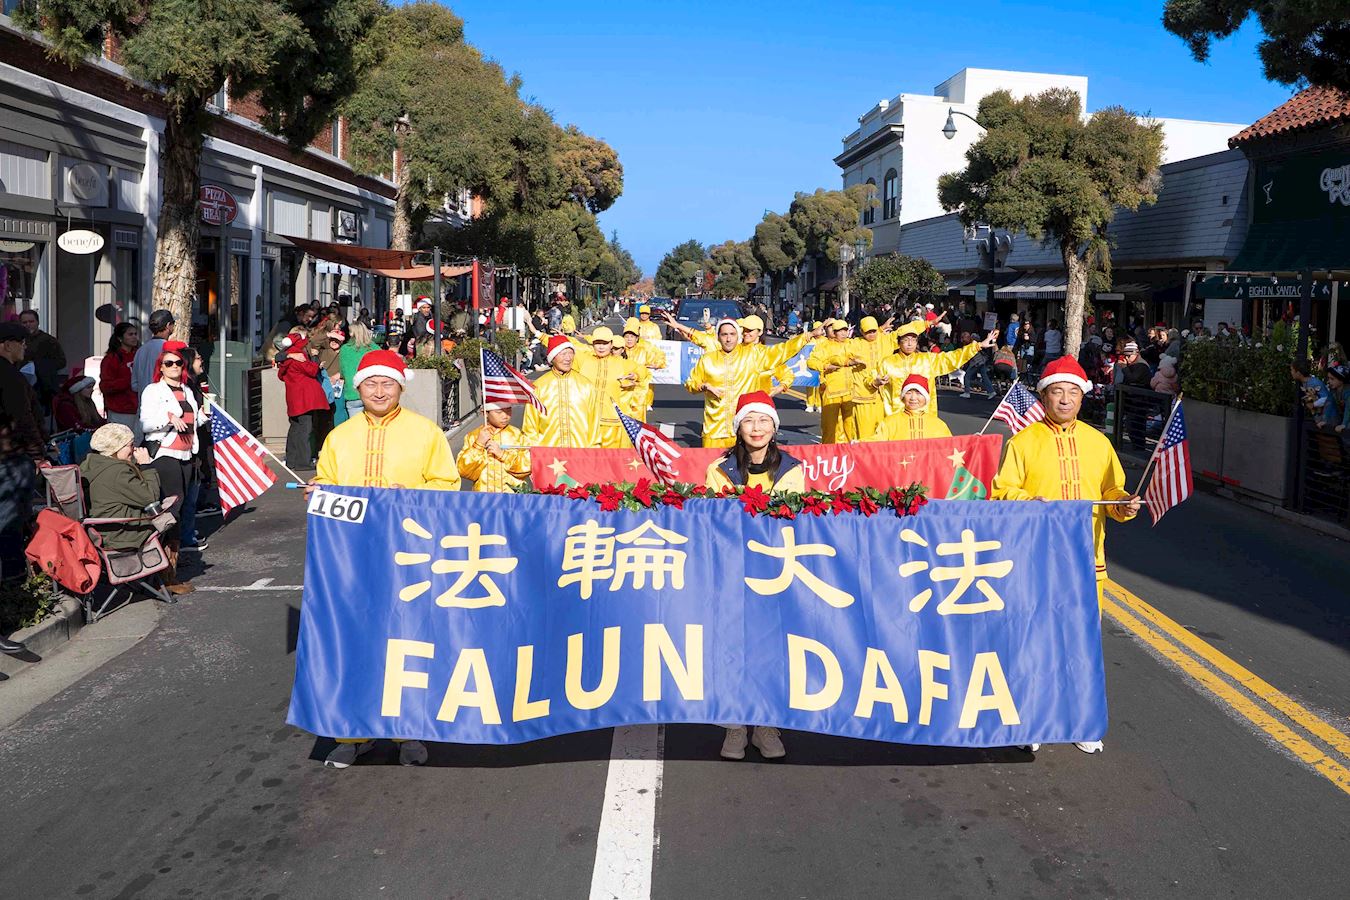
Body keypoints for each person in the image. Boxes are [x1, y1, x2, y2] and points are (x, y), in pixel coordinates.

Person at [308, 349, 458, 769]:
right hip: (351, 559)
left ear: (400, 388)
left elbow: (447, 485)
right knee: (353, 643)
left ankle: (408, 731)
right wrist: (318, 490)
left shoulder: (426, 433)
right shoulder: (340, 436)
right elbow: (327, 481)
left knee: (408, 642)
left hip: (409, 557)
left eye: (387, 383)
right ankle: (351, 733)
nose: (378, 391)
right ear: (358, 389)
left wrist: (410, 496)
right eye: (370, 383)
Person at [992, 356, 1139, 755]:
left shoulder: (1098, 442)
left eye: (1073, 392)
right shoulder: (1023, 442)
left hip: (1086, 563)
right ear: (1044, 396)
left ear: (1082, 397)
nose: (1065, 399)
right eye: (1057, 391)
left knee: (1081, 644)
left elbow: (1112, 492)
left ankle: (1080, 720)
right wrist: (1028, 501)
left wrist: (1123, 504)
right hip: (1036, 562)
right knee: (1034, 641)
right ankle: (1033, 719)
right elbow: (1001, 492)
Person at [704, 392, 801, 760]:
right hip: (730, 572)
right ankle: (734, 726)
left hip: (775, 572)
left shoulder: (791, 469)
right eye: (748, 420)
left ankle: (765, 725)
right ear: (738, 427)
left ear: (774, 427)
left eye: (763, 421)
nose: (756, 428)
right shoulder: (719, 469)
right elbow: (714, 521)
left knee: (771, 650)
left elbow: (790, 523)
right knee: (731, 649)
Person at [138, 342, 200, 595]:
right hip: (164, 453)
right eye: (168, 363)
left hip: (186, 453)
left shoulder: (187, 390)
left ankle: (169, 571)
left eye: (178, 363)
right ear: (160, 368)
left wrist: (202, 416)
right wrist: (168, 418)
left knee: (179, 508)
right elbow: (145, 424)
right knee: (171, 508)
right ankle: (162, 573)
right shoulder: (153, 390)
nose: (174, 367)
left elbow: (192, 420)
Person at [685, 319, 783, 448]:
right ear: (718, 337)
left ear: (738, 336)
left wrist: (806, 337)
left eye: (732, 334)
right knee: (713, 461)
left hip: (743, 431)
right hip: (714, 431)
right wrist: (704, 386)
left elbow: (783, 352)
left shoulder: (752, 355)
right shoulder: (707, 359)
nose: (728, 339)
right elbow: (690, 383)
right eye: (724, 334)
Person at [878, 320, 995, 419]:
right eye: (905, 340)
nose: (910, 344)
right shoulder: (887, 363)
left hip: (924, 417)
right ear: (898, 342)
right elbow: (876, 391)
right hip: (896, 419)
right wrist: (875, 383)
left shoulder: (927, 360)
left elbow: (951, 358)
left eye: (913, 340)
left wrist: (977, 346)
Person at [81, 423, 161, 552]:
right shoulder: (118, 472)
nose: (134, 449)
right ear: (115, 448)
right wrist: (146, 465)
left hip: (101, 530)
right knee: (168, 518)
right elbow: (150, 497)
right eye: (131, 445)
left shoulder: (90, 464)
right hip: (123, 534)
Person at [521, 335, 602, 448]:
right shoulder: (538, 387)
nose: (568, 358)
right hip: (549, 454)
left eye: (570, 353)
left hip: (580, 453)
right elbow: (530, 427)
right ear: (552, 358)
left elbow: (594, 424)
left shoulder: (586, 385)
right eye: (563, 354)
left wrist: (594, 450)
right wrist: (534, 452)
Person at [574, 326, 645, 448]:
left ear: (611, 344)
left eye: (605, 343)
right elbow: (564, 349)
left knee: (610, 457)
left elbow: (642, 371)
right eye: (597, 343)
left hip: (611, 423)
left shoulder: (621, 363)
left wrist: (636, 375)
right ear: (592, 344)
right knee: (587, 457)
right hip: (586, 421)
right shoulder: (584, 360)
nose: (601, 347)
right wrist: (540, 335)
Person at [276, 334, 329, 469]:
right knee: (305, 429)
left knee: (295, 428)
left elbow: (281, 375)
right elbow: (312, 371)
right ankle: (302, 462)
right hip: (305, 398)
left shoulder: (287, 358)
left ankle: (291, 460)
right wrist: (315, 358)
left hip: (293, 397)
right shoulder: (298, 356)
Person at [808, 320, 864, 443]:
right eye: (840, 331)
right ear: (834, 332)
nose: (843, 333)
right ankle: (828, 450)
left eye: (845, 330)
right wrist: (825, 366)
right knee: (830, 426)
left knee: (850, 425)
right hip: (832, 391)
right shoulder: (825, 346)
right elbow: (811, 362)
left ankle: (848, 449)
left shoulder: (851, 344)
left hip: (849, 391)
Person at [457, 402, 531, 492]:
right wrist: (478, 445)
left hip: (511, 496)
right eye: (499, 412)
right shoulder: (473, 436)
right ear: (485, 413)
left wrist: (503, 455)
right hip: (484, 496)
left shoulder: (518, 435)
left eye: (508, 411)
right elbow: (463, 471)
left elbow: (528, 467)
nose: (505, 416)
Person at [0, 321, 45, 459]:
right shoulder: (9, 376)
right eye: (22, 342)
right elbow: (21, 416)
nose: (25, 347)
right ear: (8, 345)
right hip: (11, 454)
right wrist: (37, 453)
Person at [866, 375, 952, 441]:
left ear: (926, 398)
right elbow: (875, 443)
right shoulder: (889, 423)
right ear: (902, 397)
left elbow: (949, 447)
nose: (913, 398)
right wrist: (858, 445)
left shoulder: (938, 425)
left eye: (919, 393)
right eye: (909, 393)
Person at [18, 309, 65, 409]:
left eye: (31, 321)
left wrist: (38, 366)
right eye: (24, 322)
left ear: (37, 322)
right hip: (22, 386)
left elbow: (61, 362)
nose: (28, 325)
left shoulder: (49, 341)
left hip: (44, 388)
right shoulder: (17, 341)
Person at [100, 322, 141, 437]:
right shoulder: (111, 359)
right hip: (120, 411)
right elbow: (105, 386)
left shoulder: (139, 355)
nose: (134, 337)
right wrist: (129, 380)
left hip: (138, 409)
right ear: (120, 338)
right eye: (130, 334)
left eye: (135, 334)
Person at [621, 318, 667, 419]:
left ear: (637, 337)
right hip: (622, 394)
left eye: (632, 336)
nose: (629, 339)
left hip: (639, 394)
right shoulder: (619, 349)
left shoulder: (645, 348)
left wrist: (657, 364)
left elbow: (660, 355)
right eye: (626, 336)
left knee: (638, 423)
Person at [338, 321, 377, 423]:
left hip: (352, 394)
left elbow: (342, 372)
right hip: (372, 393)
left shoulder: (345, 349)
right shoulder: (374, 348)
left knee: (356, 427)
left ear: (352, 333)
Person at [132, 309, 175, 395]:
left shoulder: (140, 350)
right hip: (164, 400)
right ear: (168, 325)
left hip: (144, 401)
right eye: (173, 324)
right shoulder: (169, 349)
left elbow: (134, 385)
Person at [959, 332, 997, 400]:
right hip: (982, 361)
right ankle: (991, 391)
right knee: (984, 376)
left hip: (975, 363)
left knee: (967, 376)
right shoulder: (974, 343)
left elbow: (966, 357)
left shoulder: (966, 346)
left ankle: (967, 393)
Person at [1318, 365, 1349, 433]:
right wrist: (1325, 420)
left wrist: (1344, 424)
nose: (1329, 381)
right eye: (1329, 378)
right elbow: (1329, 404)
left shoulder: (1348, 391)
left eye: (1332, 379)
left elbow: (1348, 408)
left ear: (1341, 379)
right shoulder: (1333, 391)